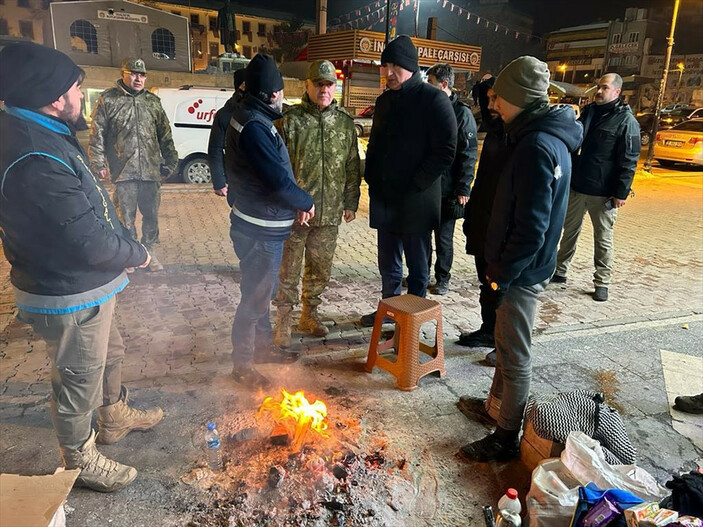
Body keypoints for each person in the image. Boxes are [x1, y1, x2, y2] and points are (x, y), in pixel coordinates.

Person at [0, 42, 163, 492]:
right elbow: (87, 240)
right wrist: (136, 254)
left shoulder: (42, 129)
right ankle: (80, 458)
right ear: (55, 97)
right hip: (67, 289)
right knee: (77, 376)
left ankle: (113, 415)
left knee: (110, 353)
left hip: (88, 283)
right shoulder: (35, 154)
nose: (80, 94)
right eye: (76, 86)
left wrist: (122, 249)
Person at [457, 56, 583, 462]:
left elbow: (532, 227)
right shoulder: (541, 136)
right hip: (521, 265)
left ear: (522, 100)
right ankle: (496, 408)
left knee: (514, 354)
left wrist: (502, 274)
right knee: (504, 342)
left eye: (500, 99)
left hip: (521, 270)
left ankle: (505, 437)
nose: (493, 105)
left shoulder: (536, 146)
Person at [225, 53, 314, 388]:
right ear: (270, 94)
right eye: (278, 91)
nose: (281, 98)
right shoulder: (255, 128)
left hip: (261, 225)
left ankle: (261, 350)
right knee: (256, 298)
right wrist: (305, 201)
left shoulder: (248, 116)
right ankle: (243, 366)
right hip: (259, 230)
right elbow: (276, 182)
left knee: (262, 291)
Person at [359, 36, 457, 326]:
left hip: (417, 200)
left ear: (411, 68)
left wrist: (416, 184)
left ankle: (412, 318)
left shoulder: (433, 99)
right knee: (388, 264)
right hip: (385, 198)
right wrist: (371, 176)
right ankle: (389, 310)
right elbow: (374, 145)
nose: (388, 72)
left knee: (417, 266)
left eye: (396, 66)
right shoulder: (384, 101)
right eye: (385, 65)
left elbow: (446, 150)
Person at [273, 60, 361, 346]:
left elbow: (352, 166)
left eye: (329, 84)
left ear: (335, 87)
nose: (324, 89)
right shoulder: (291, 121)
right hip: (295, 214)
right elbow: (278, 169)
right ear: (308, 86)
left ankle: (310, 315)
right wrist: (288, 204)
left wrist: (351, 201)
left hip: (330, 212)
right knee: (289, 269)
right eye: (319, 84)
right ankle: (284, 322)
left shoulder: (346, 124)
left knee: (320, 269)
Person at [551, 73, 640, 302]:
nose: (599, 91)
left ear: (617, 92)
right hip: (578, 186)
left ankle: (602, 281)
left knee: (603, 239)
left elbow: (629, 159)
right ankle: (560, 271)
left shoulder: (625, 121)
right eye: (598, 87)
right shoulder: (589, 112)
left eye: (605, 88)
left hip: (604, 193)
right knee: (569, 232)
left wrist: (621, 193)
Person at [89, 57, 179, 272]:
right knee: (125, 218)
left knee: (151, 216)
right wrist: (98, 162)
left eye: (142, 74)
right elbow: (97, 134)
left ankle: (149, 253)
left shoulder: (152, 102)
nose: (138, 78)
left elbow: (165, 135)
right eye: (134, 73)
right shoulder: (108, 100)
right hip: (123, 171)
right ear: (123, 74)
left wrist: (171, 161)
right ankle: (130, 256)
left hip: (150, 170)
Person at [456, 79, 508, 366]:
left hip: (501, 228)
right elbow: (484, 181)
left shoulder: (518, 136)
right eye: (485, 100)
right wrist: (473, 216)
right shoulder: (495, 135)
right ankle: (488, 331)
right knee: (486, 282)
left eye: (494, 100)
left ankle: (502, 342)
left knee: (499, 286)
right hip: (484, 221)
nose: (489, 107)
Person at [426, 63, 478, 295]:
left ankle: (443, 277)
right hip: (426, 187)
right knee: (422, 234)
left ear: (444, 85)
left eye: (431, 84)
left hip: (448, 189)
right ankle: (421, 272)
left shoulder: (462, 114)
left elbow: (468, 154)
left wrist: (463, 188)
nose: (428, 88)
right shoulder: (428, 108)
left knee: (443, 238)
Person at [208, 68, 246, 197]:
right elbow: (215, 149)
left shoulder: (260, 109)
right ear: (240, 85)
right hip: (236, 178)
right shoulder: (225, 114)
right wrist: (219, 182)